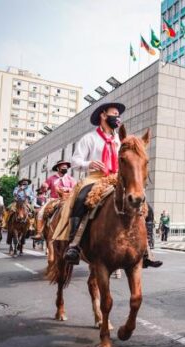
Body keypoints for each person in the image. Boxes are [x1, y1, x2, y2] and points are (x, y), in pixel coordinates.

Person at [54, 102, 161, 268]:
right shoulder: (89, 138)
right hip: (95, 178)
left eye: (118, 115)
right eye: (115, 114)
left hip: (117, 178)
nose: (118, 118)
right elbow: (75, 161)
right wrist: (90, 164)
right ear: (103, 115)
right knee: (81, 199)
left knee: (148, 208)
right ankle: (74, 245)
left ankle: (146, 249)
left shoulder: (121, 140)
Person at [32, 160, 76, 241]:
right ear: (58, 168)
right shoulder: (51, 178)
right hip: (53, 199)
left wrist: (67, 189)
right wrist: (43, 186)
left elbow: (75, 189)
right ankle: (39, 233)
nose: (65, 168)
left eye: (66, 167)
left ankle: (76, 232)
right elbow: (44, 189)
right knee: (40, 213)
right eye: (63, 167)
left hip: (67, 199)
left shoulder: (71, 179)